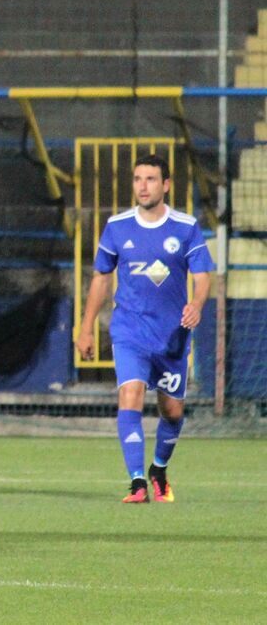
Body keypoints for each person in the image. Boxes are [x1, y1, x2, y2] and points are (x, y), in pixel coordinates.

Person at [76, 154, 213, 503]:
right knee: (130, 395)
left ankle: (158, 469)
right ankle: (137, 482)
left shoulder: (185, 227)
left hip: (172, 335)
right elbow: (101, 278)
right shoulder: (118, 227)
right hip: (129, 331)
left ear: (165, 185)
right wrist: (86, 326)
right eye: (138, 178)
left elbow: (202, 276)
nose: (143, 185)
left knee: (172, 411)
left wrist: (196, 305)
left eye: (151, 179)